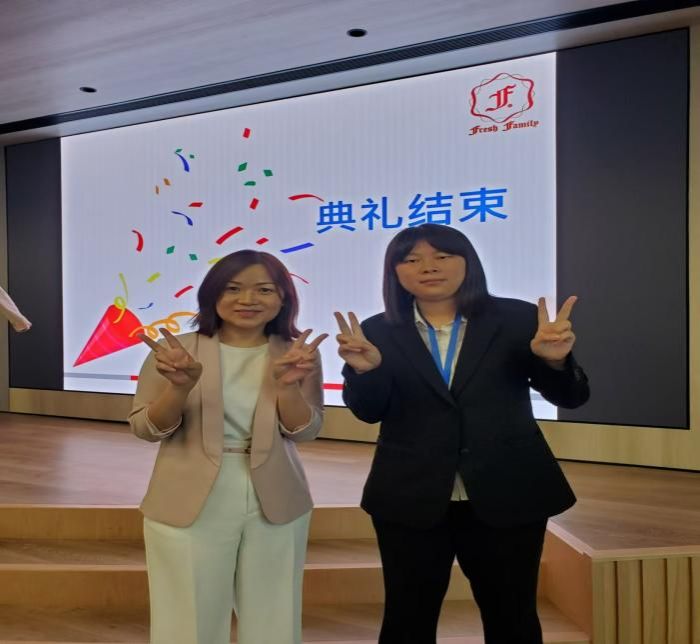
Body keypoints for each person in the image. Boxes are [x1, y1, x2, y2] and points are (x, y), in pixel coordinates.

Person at [334, 223, 589, 644]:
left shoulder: (519, 319)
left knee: (512, 615)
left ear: (468, 262)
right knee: (406, 617)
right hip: (410, 493)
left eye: (442, 256)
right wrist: (367, 372)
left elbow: (572, 397)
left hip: (507, 489)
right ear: (394, 272)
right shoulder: (376, 331)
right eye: (411, 259)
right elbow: (368, 411)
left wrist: (555, 362)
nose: (427, 267)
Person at [128, 249, 327, 644]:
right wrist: (179, 387)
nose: (247, 300)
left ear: (283, 298)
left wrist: (287, 387)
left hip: (276, 493)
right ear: (212, 295)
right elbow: (146, 429)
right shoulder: (176, 351)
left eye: (264, 290)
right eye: (233, 288)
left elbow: (304, 431)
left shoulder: (297, 353)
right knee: (186, 616)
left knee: (275, 614)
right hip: (188, 493)